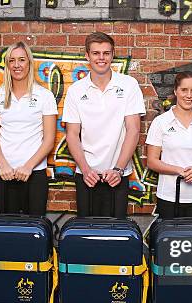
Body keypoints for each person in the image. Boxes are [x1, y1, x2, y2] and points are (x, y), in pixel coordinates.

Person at [63, 32, 145, 218]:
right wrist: (85, 170)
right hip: (86, 174)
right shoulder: (76, 90)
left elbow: (133, 130)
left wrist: (118, 169)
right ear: (87, 56)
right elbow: (72, 134)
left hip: (118, 173)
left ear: (112, 54)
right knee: (86, 232)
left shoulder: (129, 85)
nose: (101, 58)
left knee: (116, 232)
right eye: (96, 53)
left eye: (106, 53)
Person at [0, 41, 57, 216]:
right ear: (7, 65)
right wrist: (3, 166)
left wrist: (28, 167)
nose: (17, 65)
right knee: (7, 228)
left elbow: (49, 140)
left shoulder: (44, 95)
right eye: (12, 60)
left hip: (34, 173)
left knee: (34, 227)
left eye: (22, 60)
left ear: (29, 63)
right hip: (4, 173)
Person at [146, 72, 192, 219]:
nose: (189, 95)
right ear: (175, 91)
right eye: (184, 90)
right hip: (168, 197)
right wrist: (179, 170)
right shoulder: (161, 122)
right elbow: (152, 161)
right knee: (169, 241)